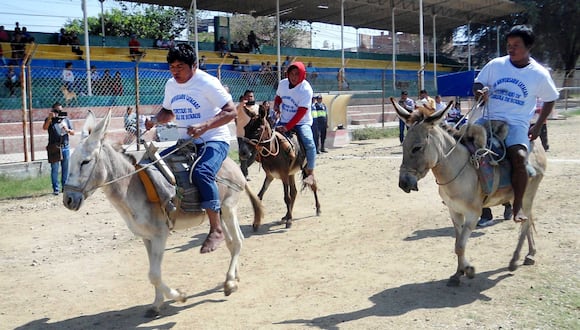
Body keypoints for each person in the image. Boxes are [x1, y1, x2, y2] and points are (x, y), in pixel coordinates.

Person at [145, 43, 236, 254]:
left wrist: (205, 125)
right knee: (152, 164)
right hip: (186, 142)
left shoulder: (207, 82)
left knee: (202, 171)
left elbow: (231, 112)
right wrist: (154, 120)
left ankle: (216, 229)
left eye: (180, 66)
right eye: (172, 66)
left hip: (214, 140)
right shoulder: (171, 85)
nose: (175, 71)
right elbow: (167, 114)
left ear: (193, 65)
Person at [473, 25, 559, 222]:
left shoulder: (538, 74)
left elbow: (551, 98)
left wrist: (537, 126)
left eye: (516, 45)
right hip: (488, 118)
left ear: (528, 47)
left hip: (516, 123)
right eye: (509, 45)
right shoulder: (496, 65)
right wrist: (479, 92)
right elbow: (478, 82)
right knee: (461, 144)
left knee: (519, 158)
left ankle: (517, 205)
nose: (510, 49)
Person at [273, 61, 317, 185]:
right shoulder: (283, 83)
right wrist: (276, 105)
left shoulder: (305, 89)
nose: (293, 77)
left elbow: (300, 113)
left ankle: (310, 172)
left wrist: (287, 127)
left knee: (309, 143)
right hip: (284, 119)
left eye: (297, 74)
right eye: (291, 74)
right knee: (267, 137)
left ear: (302, 75)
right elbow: (278, 97)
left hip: (301, 122)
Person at [43, 102, 75, 195]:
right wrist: (49, 118)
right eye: (57, 111)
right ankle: (55, 189)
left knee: (65, 168)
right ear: (52, 111)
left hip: (65, 146)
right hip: (54, 147)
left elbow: (73, 132)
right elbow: (45, 128)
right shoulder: (50, 120)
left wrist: (67, 129)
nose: (59, 112)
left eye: (60, 111)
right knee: (55, 168)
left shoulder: (66, 120)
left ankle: (64, 187)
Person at [235, 89, 259, 180]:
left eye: (251, 96)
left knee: (253, 157)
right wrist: (242, 103)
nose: (250, 98)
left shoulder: (257, 107)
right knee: (245, 154)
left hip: (254, 136)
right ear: (244, 97)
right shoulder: (240, 106)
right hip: (242, 135)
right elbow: (234, 114)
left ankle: (240, 170)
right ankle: (244, 174)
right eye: (248, 96)